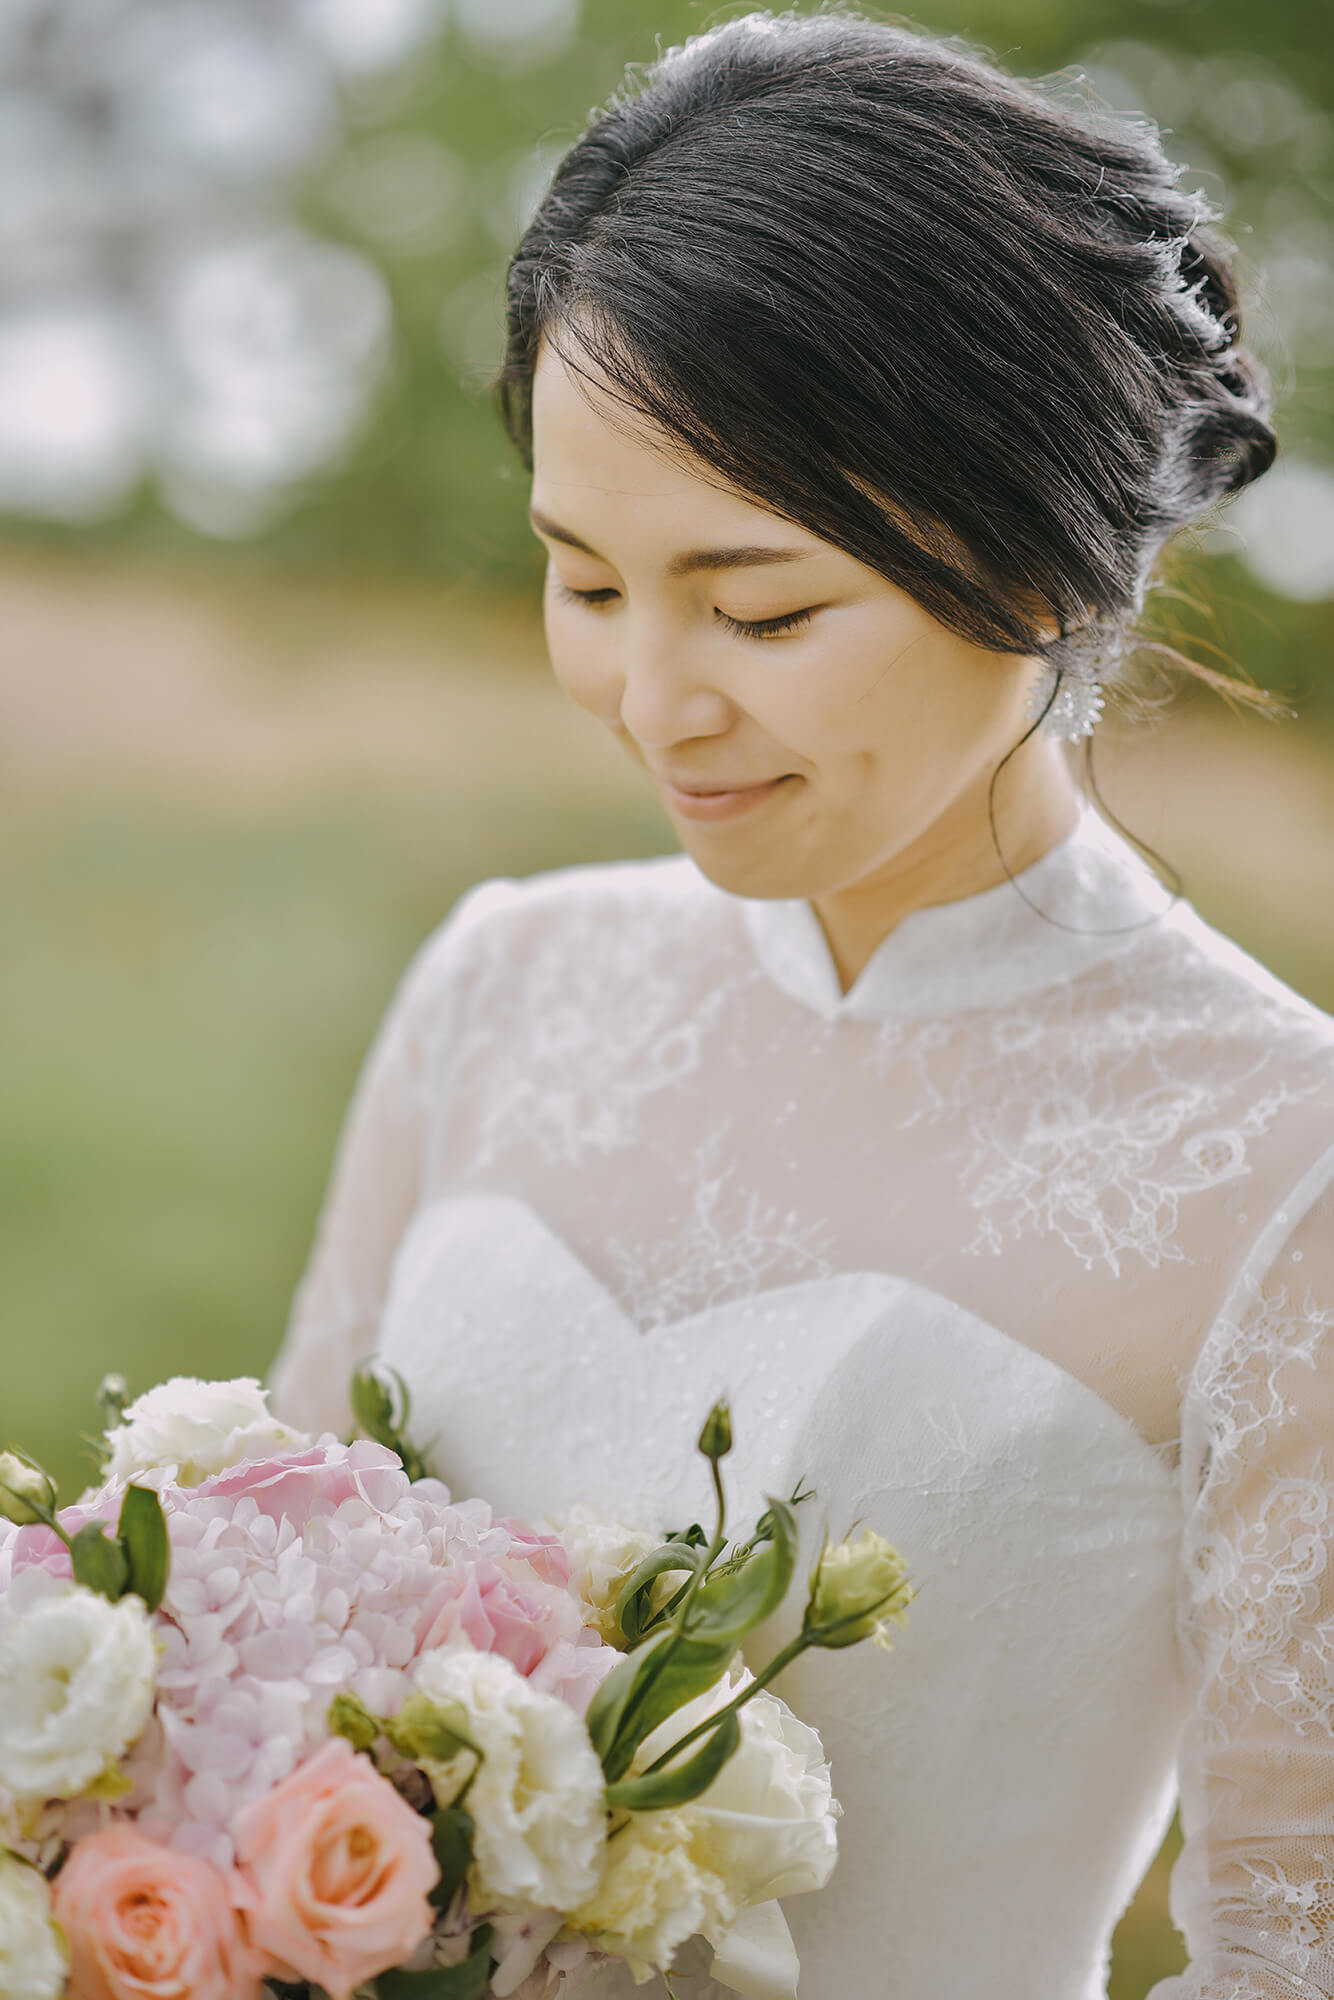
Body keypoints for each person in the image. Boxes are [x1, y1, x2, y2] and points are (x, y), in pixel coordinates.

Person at [267, 11, 1334, 1996]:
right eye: (585, 581)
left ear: (1048, 557)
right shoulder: (500, 984)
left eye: (760, 609)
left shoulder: (1287, 1169)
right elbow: (262, 1670)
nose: (655, 699)